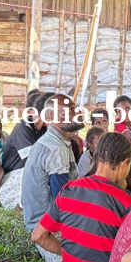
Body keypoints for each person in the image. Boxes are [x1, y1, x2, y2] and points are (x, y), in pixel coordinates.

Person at [31, 133, 131, 262]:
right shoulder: (125, 202)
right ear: (124, 164)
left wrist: (67, 253)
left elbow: (38, 236)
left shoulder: (69, 189)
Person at [21, 94, 82, 233]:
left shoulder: (57, 142)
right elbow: (62, 201)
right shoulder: (57, 149)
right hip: (47, 229)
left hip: (40, 221)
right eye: (68, 112)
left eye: (74, 109)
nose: (75, 114)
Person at [0, 90, 50, 211]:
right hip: (14, 177)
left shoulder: (44, 129)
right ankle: (21, 205)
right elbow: (34, 161)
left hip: (33, 171)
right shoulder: (23, 127)